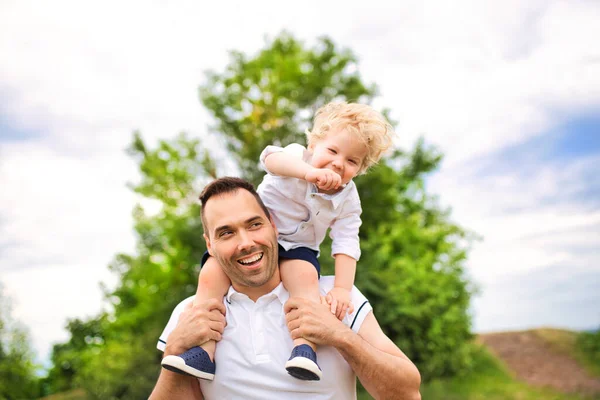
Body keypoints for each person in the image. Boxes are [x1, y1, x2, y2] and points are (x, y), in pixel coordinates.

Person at [161, 102, 394, 381]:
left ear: (360, 169)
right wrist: (308, 173)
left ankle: (304, 349)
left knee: (305, 281)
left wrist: (343, 289)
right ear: (315, 144)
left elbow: (346, 242)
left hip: (298, 249)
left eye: (351, 161)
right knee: (210, 277)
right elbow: (269, 159)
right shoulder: (297, 157)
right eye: (332, 151)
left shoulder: (349, 199)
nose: (337, 163)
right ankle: (203, 352)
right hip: (257, 235)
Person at [150, 177, 421, 400]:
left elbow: (408, 393)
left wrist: (340, 336)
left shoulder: (335, 297)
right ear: (209, 245)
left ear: (273, 226)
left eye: (254, 225)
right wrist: (175, 350)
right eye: (226, 233)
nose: (245, 243)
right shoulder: (192, 312)